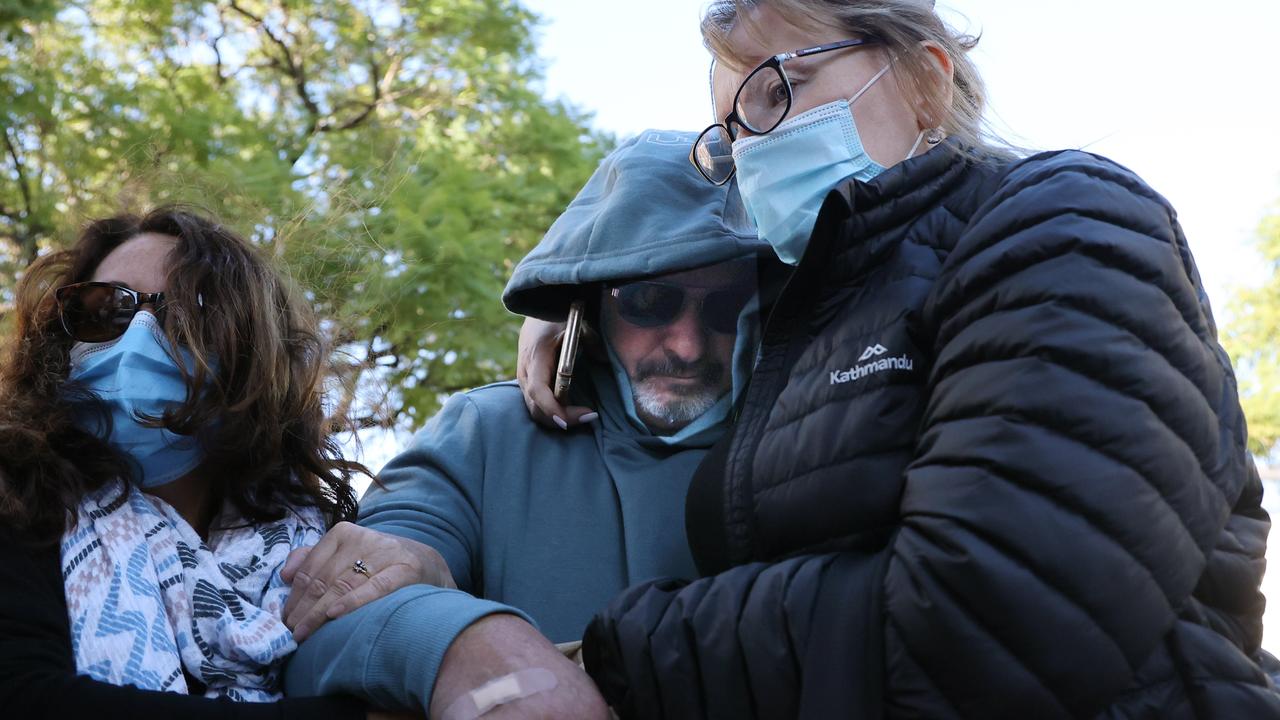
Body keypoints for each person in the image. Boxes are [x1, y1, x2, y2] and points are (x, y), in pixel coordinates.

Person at [517, 1, 1280, 717]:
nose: (752, 151)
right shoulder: (805, 326)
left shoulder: (1066, 217)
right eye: (730, 135)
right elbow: (663, 249)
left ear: (925, 80)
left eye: (775, 89)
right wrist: (586, 313)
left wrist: (619, 654)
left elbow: (997, 617)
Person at [279, 131, 764, 718]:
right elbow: (340, 613)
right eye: (648, 301)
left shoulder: (811, 436)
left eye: (724, 310)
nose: (687, 346)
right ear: (594, 299)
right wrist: (475, 648)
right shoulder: (487, 432)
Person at [0, 207, 381, 719]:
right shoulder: (14, 497)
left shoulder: (315, 544)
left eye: (185, 314)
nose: (135, 338)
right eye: (101, 309)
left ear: (255, 356)